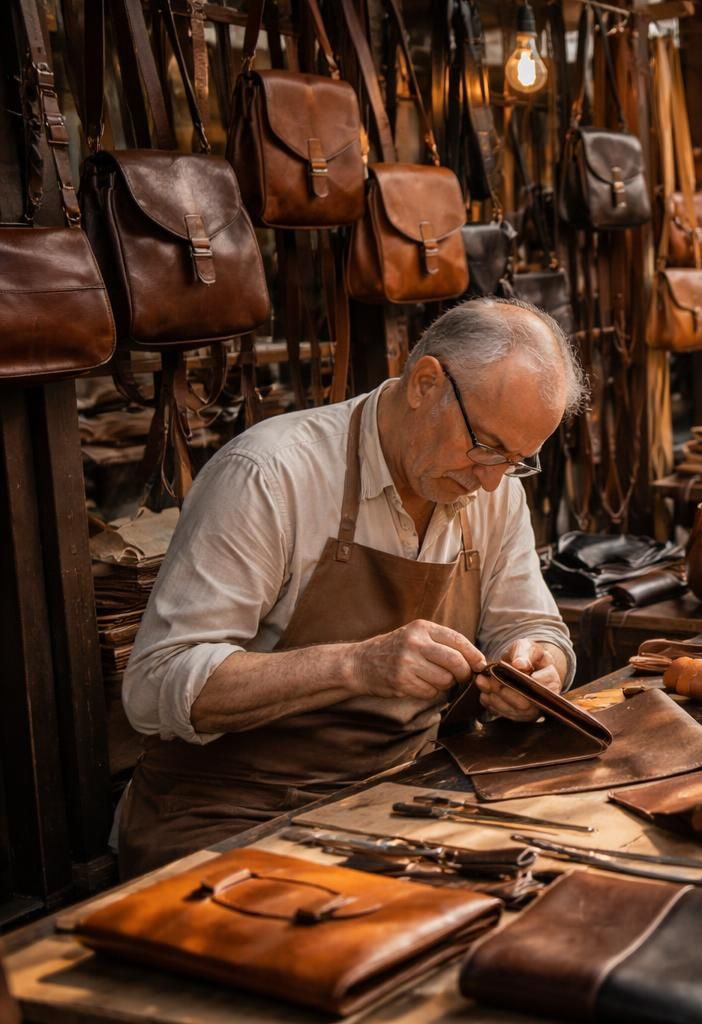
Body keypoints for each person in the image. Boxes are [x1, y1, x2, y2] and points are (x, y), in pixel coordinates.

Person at [118, 298, 587, 875]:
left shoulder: (491, 490)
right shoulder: (270, 475)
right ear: (424, 383)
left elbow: (532, 626)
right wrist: (355, 666)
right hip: (232, 812)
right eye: (486, 446)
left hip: (401, 793)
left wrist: (540, 668)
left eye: (518, 460)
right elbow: (154, 684)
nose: (493, 481)